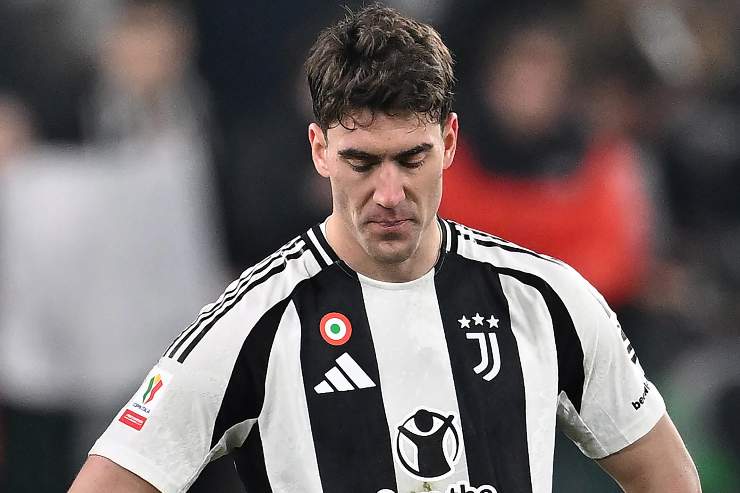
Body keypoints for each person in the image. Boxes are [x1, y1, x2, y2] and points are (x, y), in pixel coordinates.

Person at [69, 5, 700, 493]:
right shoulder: (256, 321)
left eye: (411, 158)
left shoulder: (545, 299)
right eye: (362, 162)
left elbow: (664, 474)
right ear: (320, 151)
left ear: (449, 142)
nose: (390, 192)